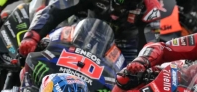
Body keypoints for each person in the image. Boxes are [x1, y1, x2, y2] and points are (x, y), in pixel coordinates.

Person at [18, 0, 165, 62]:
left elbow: (151, 43)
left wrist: (144, 63)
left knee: (131, 84)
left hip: (126, 50)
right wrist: (33, 36)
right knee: (40, 55)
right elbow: (56, 9)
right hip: (85, 36)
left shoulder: (152, 8)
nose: (115, 13)